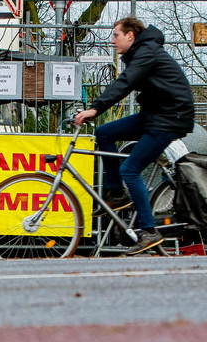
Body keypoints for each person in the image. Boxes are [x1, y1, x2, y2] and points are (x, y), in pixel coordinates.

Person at [72, 17, 195, 255]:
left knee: (130, 169)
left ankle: (150, 232)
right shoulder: (141, 52)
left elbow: (125, 82)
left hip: (170, 119)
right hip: (154, 115)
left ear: (131, 35)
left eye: (116, 35)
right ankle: (117, 193)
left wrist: (96, 108)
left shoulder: (147, 52)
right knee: (103, 132)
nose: (112, 40)